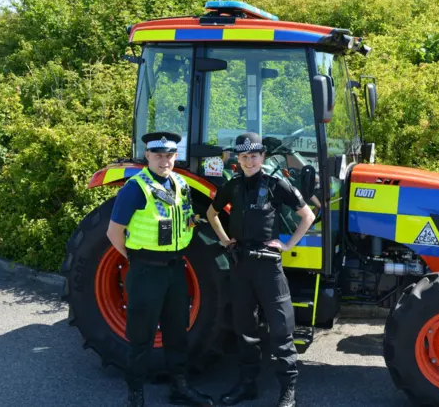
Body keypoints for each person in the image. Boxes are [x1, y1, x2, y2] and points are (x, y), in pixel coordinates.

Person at [206, 132, 315, 407]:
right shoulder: (232, 186)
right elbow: (211, 213)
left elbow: (307, 215)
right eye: (244, 156)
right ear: (238, 159)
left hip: (268, 266)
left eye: (254, 156)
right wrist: (225, 240)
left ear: (262, 157)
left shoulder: (277, 184)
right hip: (241, 265)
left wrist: (288, 244)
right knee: (245, 329)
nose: (249, 161)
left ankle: (288, 391)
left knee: (281, 330)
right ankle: (247, 385)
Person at [106, 131, 214, 407]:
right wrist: (134, 257)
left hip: (175, 269)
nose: (164, 160)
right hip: (146, 271)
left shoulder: (180, 183)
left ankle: (180, 387)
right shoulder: (135, 187)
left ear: (175, 156)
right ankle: (135, 394)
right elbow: (113, 233)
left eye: (169, 155)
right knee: (140, 336)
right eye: (158, 155)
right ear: (147, 156)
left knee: (177, 332)